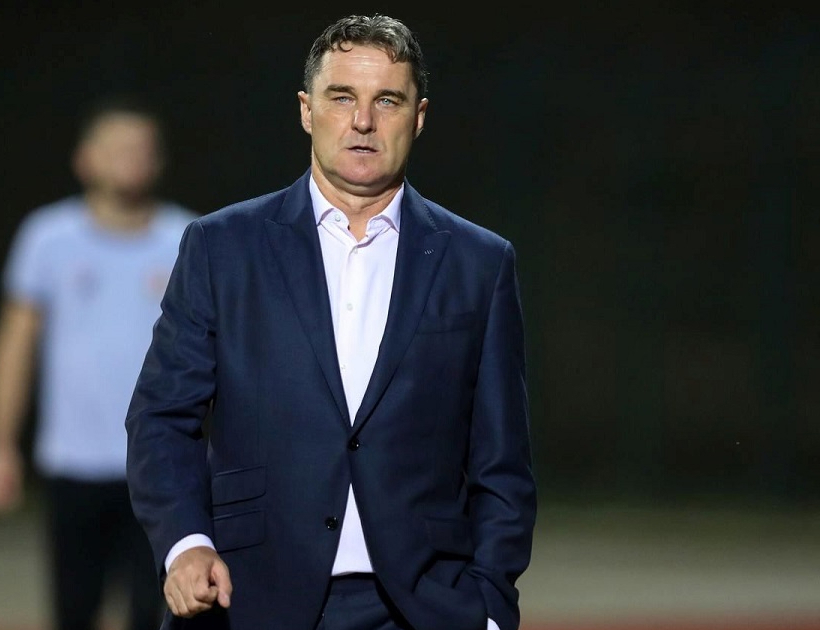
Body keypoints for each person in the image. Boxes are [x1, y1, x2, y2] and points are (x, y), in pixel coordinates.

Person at [124, 14, 536, 630]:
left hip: (423, 608)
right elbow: (161, 416)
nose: (363, 120)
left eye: (387, 101)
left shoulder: (479, 262)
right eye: (342, 97)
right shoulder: (222, 246)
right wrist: (186, 544)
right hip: (248, 599)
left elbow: (502, 461)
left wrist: (491, 606)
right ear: (306, 109)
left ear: (419, 116)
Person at [0, 94, 197, 630]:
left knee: (161, 613)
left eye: (141, 149)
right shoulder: (47, 238)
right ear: (85, 158)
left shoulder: (190, 238)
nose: (130, 159)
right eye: (116, 148)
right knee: (74, 611)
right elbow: (14, 346)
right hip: (74, 465)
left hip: (163, 466)